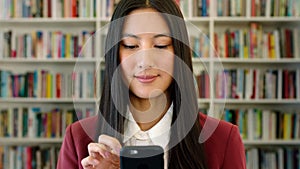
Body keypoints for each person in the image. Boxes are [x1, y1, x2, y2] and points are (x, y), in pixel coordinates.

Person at [57, 0, 246, 169]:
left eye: (161, 45)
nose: (145, 61)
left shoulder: (223, 139)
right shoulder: (78, 139)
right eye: (131, 45)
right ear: (115, 54)